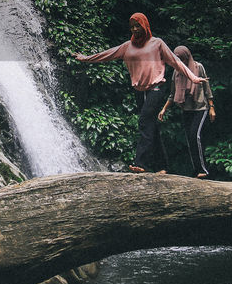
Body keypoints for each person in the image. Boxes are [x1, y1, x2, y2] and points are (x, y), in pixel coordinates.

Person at [75, 13, 204, 173]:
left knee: (144, 122)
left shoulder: (157, 43)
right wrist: (86, 58)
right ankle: (162, 166)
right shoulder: (127, 46)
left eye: (138, 26)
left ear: (145, 26)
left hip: (155, 88)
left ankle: (142, 164)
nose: (135, 29)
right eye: (132, 27)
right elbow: (106, 55)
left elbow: (176, 62)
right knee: (152, 126)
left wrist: (193, 77)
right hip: (139, 91)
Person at [158, 45, 216, 178]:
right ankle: (196, 169)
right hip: (186, 109)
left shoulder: (198, 67)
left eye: (182, 59)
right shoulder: (176, 72)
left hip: (200, 107)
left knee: (196, 136)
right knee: (190, 139)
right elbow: (172, 94)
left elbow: (207, 88)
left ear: (186, 57)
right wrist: (164, 109)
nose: (180, 61)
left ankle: (203, 170)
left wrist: (212, 107)